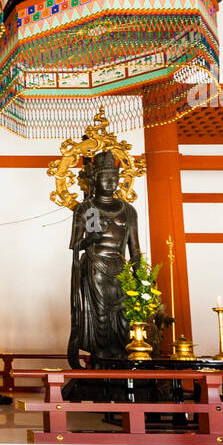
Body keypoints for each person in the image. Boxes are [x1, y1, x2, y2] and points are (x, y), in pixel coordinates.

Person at [67, 151, 141, 367]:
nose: (111, 182)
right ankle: (99, 360)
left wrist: (143, 279)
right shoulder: (87, 209)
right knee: (100, 317)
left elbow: (135, 250)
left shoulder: (128, 210)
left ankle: (120, 362)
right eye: (105, 177)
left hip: (121, 271)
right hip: (95, 269)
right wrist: (90, 240)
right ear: (93, 180)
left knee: (123, 319)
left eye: (115, 177)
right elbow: (75, 245)